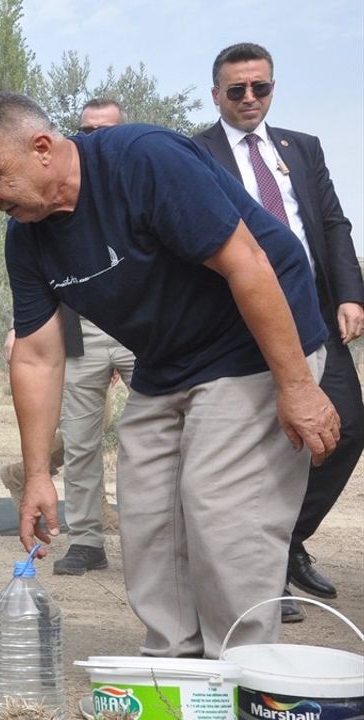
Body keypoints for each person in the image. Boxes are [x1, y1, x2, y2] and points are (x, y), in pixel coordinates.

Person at [0, 92, 337, 658]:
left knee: (221, 512)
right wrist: (38, 477)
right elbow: (36, 355)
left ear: (41, 149)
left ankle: (243, 672)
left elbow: (247, 262)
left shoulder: (142, 160)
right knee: (149, 517)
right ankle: (175, 670)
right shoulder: (28, 237)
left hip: (255, 347)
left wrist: (297, 384)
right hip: (166, 364)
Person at [193, 42, 364, 623]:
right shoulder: (196, 152)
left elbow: (333, 223)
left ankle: (288, 542)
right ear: (215, 93)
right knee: (256, 443)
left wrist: (349, 293)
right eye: (236, 90)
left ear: (272, 88)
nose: (249, 99)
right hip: (236, 317)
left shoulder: (302, 148)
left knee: (346, 425)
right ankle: (259, 572)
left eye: (259, 88)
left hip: (313, 309)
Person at [2, 98, 136, 577]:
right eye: (87, 130)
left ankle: (157, 539)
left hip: (141, 329)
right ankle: (86, 539)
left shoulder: (130, 184)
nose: (96, 138)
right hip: (79, 328)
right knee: (81, 439)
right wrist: (21, 329)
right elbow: (39, 283)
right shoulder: (49, 204)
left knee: (156, 434)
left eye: (107, 130)